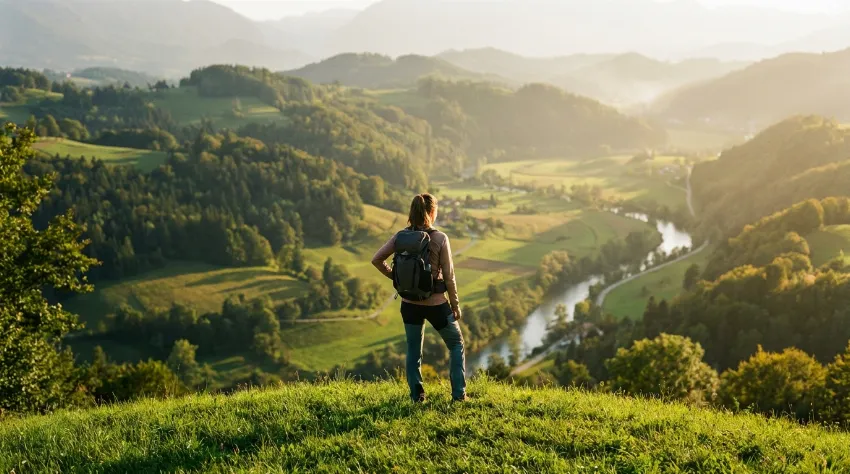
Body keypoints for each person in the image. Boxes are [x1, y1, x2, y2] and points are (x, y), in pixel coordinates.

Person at [371, 193, 467, 402]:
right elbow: (449, 276)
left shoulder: (400, 237)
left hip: (409, 305)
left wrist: (395, 278)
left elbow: (377, 259)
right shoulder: (440, 238)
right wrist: (455, 305)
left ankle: (417, 396)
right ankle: (459, 395)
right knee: (456, 344)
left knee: (413, 350)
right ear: (432, 212)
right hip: (436, 305)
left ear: (411, 213)